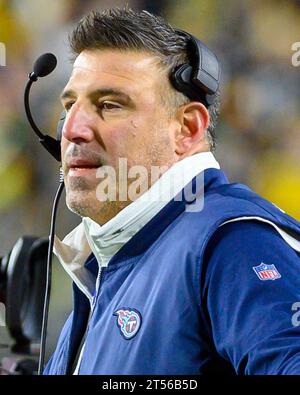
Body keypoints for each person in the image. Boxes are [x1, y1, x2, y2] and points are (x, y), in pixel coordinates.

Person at [44, 8, 300, 375]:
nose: (72, 129)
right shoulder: (109, 265)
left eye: (109, 105)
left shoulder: (233, 242)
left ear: (187, 128)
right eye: (70, 106)